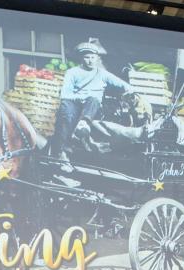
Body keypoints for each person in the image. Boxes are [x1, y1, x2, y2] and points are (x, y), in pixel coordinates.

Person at [53, 38, 134, 172]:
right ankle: (62, 153)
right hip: (74, 104)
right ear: (81, 58)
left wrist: (129, 89)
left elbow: (120, 83)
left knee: (93, 99)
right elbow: (65, 94)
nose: (90, 60)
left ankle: (84, 123)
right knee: (65, 113)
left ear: (97, 58)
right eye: (87, 57)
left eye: (92, 57)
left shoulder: (102, 73)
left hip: (92, 107)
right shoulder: (72, 72)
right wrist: (81, 98)